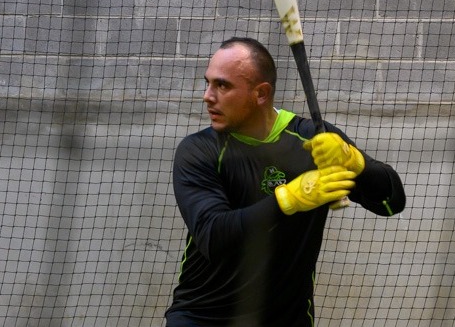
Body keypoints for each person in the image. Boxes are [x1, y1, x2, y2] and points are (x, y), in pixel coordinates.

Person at [165, 37, 405, 327]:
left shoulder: (312, 139)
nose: (207, 96)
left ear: (261, 94)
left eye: (222, 85)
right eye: (208, 83)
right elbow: (214, 237)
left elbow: (391, 203)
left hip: (286, 319)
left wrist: (356, 162)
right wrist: (288, 199)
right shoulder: (199, 151)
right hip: (203, 317)